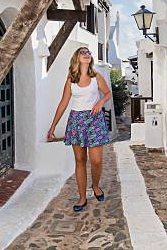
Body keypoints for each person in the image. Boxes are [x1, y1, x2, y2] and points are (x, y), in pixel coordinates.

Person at [47, 47, 112, 211]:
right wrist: (53, 126)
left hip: (95, 119)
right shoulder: (71, 79)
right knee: (80, 160)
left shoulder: (96, 76)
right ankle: (82, 197)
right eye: (83, 53)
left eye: (89, 53)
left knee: (96, 160)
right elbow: (63, 103)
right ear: (76, 57)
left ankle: (96, 186)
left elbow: (107, 93)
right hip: (76, 121)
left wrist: (100, 102)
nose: (87, 55)